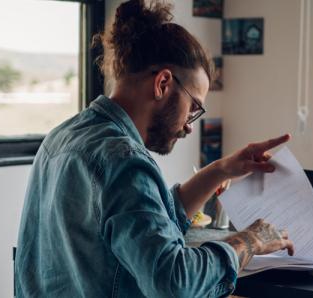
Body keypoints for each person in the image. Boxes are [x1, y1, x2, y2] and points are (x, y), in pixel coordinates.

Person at [15, 0, 294, 297]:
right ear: (162, 83)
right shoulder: (123, 160)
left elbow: (146, 221)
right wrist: (250, 241)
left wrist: (221, 170)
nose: (189, 125)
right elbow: (175, 283)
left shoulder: (61, 138)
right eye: (193, 108)